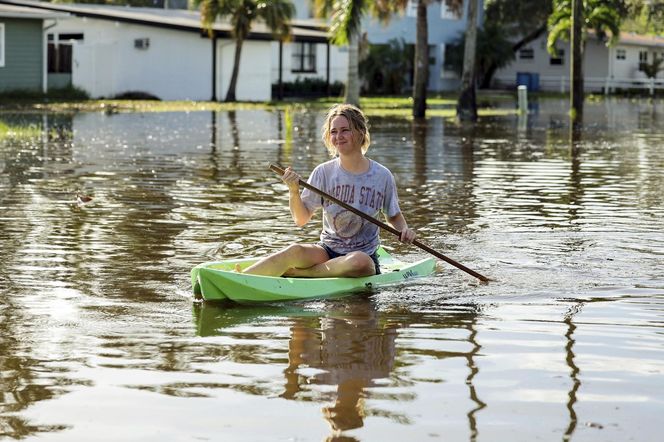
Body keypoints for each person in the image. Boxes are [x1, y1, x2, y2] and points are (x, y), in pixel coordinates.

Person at [239, 103, 416, 277]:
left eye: (345, 130)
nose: (339, 136)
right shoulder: (323, 172)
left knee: (359, 262)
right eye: (334, 131)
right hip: (327, 251)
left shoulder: (382, 175)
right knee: (294, 250)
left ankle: (303, 274)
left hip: (363, 259)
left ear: (360, 132)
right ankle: (238, 278)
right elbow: (301, 219)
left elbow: (393, 216)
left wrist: (404, 230)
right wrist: (293, 192)